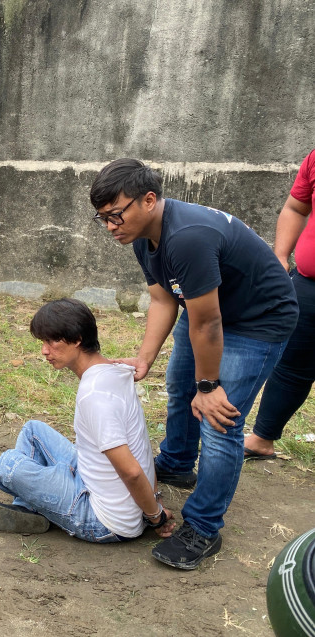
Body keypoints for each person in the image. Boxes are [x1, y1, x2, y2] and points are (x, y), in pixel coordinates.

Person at [90, 158, 298, 569]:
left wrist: (209, 386)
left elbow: (208, 322)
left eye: (116, 215)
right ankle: (179, 462)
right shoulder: (141, 236)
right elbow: (165, 298)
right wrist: (145, 358)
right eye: (102, 219)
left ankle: (204, 526)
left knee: (220, 420)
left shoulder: (187, 237)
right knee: (178, 383)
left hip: (259, 320)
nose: (111, 226)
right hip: (214, 314)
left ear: (149, 200)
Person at [0, 299, 175, 543]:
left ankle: (34, 505)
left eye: (52, 341)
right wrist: (154, 499)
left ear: (78, 338)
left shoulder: (94, 396)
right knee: (33, 431)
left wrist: (156, 517)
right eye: (43, 342)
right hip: (100, 483)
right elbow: (141, 444)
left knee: (8, 465)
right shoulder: (116, 371)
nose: (44, 351)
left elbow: (132, 471)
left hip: (103, 520)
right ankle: (28, 507)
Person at [242, 151, 315, 460]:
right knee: (291, 365)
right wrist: (281, 256)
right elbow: (296, 207)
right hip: (308, 285)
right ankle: (262, 439)